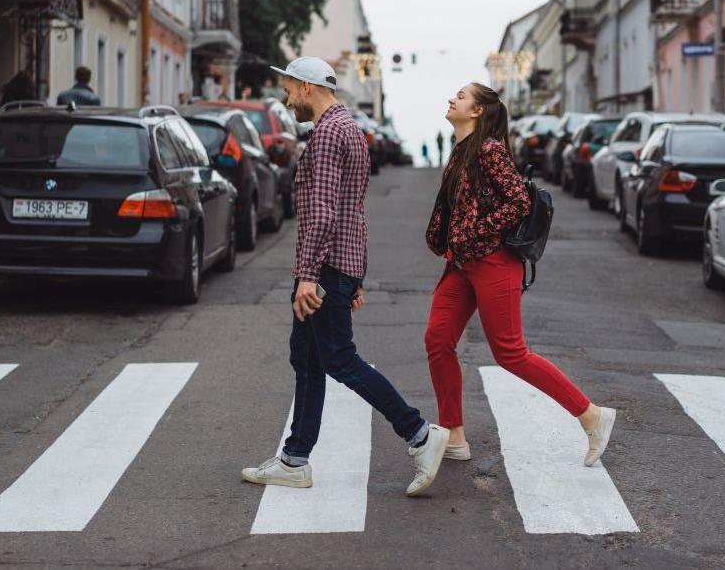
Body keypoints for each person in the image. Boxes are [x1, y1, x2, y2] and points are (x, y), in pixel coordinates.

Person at [241, 57, 448, 496]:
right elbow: (354, 212)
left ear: (306, 86)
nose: (286, 98)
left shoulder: (327, 134)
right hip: (339, 266)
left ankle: (420, 435)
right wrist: (355, 276)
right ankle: (295, 460)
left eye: (289, 89)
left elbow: (323, 213)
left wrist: (308, 276)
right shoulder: (351, 129)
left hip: (324, 268)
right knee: (308, 358)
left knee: (339, 359)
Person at [422, 82, 616, 467]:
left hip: (494, 262)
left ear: (477, 111)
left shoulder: (490, 151)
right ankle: (455, 434)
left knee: (510, 352)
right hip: (462, 264)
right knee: (437, 339)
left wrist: (476, 231)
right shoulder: (460, 152)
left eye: (460, 96)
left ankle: (592, 415)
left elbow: (519, 203)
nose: (451, 99)